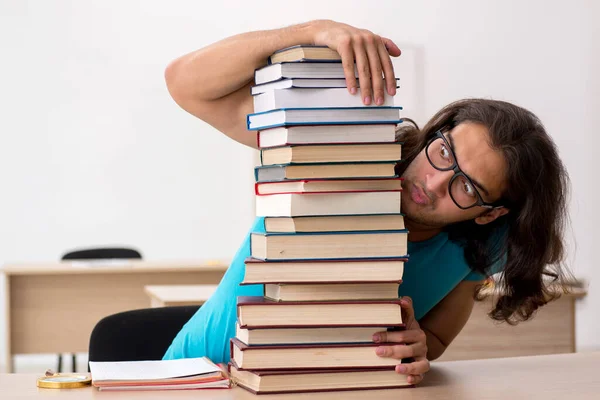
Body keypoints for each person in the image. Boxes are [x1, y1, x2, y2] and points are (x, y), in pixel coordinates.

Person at [161, 20, 571, 385]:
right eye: (444, 152)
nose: (432, 182)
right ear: (436, 134)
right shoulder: (347, 152)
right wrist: (307, 32)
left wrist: (417, 345)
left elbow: (437, 337)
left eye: (467, 187)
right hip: (195, 376)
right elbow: (184, 83)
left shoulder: (482, 245)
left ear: (492, 213)